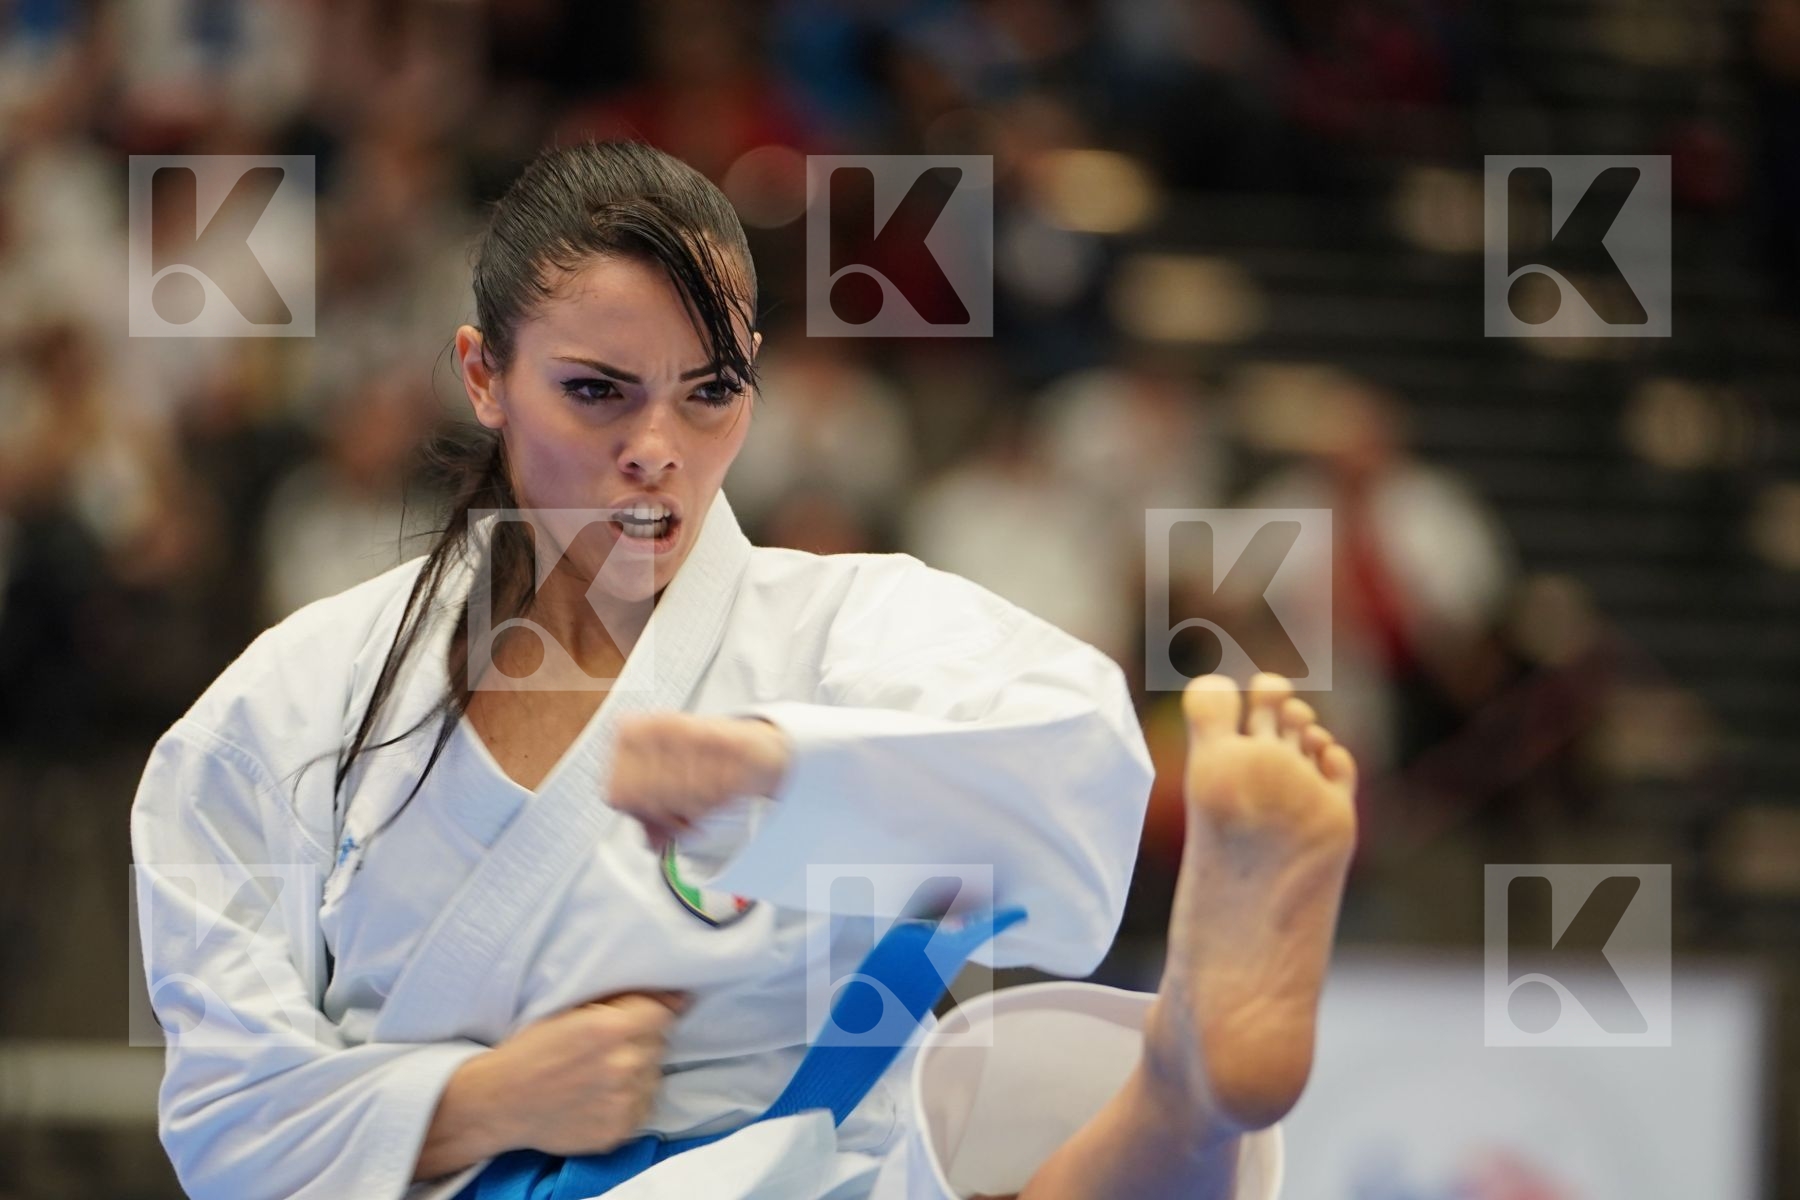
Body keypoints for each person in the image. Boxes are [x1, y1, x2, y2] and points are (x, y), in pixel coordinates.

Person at [129, 139, 1357, 1200]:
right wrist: (484, 1101)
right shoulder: (292, 705)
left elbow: (1082, 769)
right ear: (482, 375)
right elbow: (228, 1119)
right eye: (597, 393)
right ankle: (1187, 1092)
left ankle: (1194, 1075)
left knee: (1011, 1097)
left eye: (710, 392)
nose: (656, 450)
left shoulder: (829, 630)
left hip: (806, 1165)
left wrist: (791, 772)